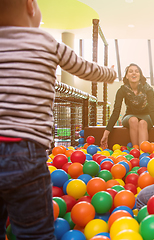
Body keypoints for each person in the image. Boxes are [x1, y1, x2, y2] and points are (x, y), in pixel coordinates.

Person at [0, 0, 117, 239]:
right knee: (34, 231)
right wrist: (111, 73)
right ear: (30, 6)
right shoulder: (46, 42)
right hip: (27, 150)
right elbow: (85, 68)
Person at [100, 63, 154, 149]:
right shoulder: (122, 90)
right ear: (127, 76)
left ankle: (143, 152)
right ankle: (135, 151)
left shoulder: (148, 90)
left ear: (140, 75)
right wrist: (106, 134)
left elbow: (152, 110)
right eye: (130, 71)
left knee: (142, 123)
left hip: (146, 116)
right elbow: (116, 112)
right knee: (133, 120)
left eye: (137, 71)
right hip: (129, 116)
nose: (134, 73)